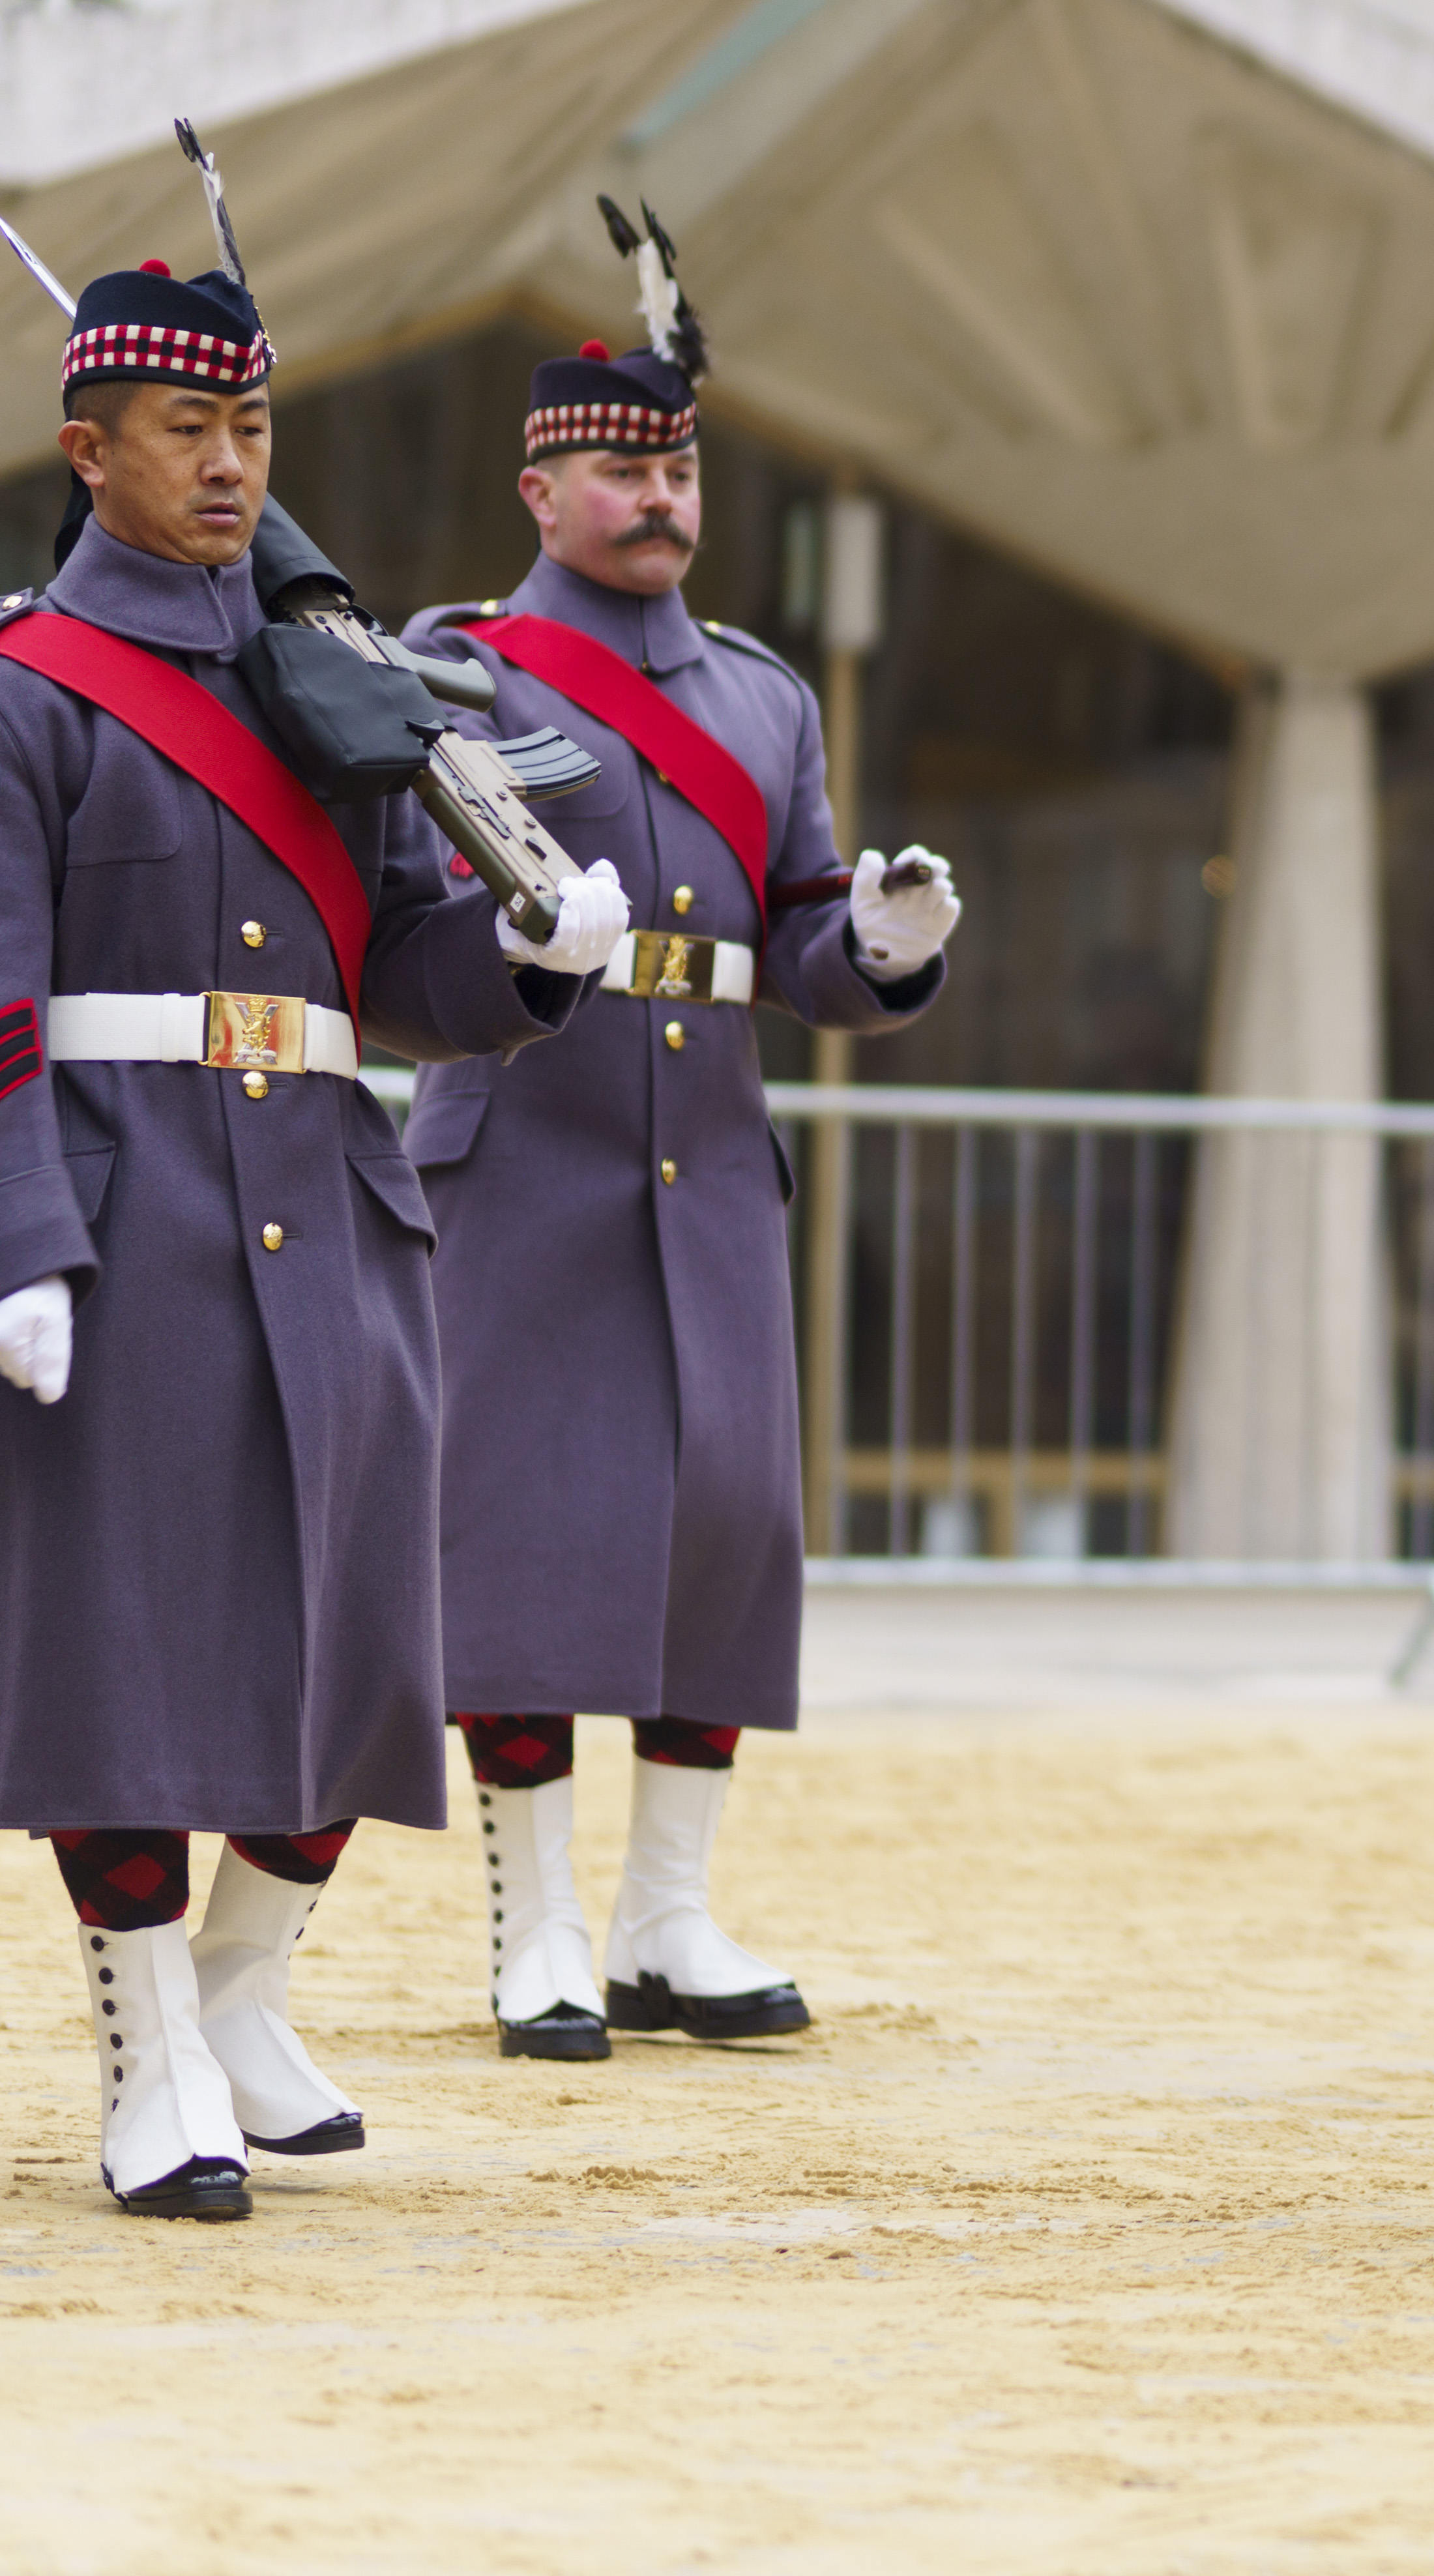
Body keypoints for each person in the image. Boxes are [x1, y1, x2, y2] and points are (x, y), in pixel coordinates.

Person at [0, 241, 622, 2215]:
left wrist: (529, 957)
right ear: (87, 447)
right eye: (186, 427)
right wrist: (17, 1238)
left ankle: (246, 1992)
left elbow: (386, 973)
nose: (227, 464)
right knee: (131, 1647)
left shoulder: (323, 678)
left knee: (353, 1633)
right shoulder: (27, 688)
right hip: (124, 1199)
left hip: (325, 1194)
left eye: (253, 426)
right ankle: (147, 2053)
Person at [404, 249, 958, 2062]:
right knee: (532, 1539)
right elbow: (410, 923)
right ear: (541, 494)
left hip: (706, 1164)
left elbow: (788, 946)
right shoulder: (458, 675)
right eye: (625, 474)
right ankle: (539, 1925)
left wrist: (876, 944)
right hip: (525, 1156)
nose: (660, 502)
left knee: (720, 1531)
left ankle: (670, 1917)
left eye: (683, 474)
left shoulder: (760, 700)